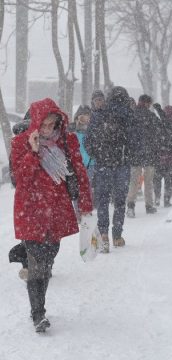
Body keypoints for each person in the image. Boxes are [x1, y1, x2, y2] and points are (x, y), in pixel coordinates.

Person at [11, 98, 93, 332]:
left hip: (56, 210)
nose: (48, 129)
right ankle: (38, 314)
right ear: (35, 122)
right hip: (31, 210)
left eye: (52, 124)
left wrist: (86, 205)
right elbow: (21, 180)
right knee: (36, 263)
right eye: (44, 124)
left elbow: (80, 172)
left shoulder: (67, 141)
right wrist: (33, 152)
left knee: (47, 261)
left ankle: (39, 305)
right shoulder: (20, 143)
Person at [85, 86, 133, 252]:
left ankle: (104, 234)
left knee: (103, 201)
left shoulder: (98, 116)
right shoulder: (127, 114)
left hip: (103, 165)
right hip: (121, 164)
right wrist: (127, 156)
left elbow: (87, 140)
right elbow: (135, 140)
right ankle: (117, 236)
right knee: (120, 201)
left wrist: (98, 154)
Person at [126, 94, 158, 217]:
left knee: (134, 182)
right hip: (149, 154)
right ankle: (149, 205)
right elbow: (157, 135)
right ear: (147, 103)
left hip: (135, 154)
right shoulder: (151, 116)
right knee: (149, 182)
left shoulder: (132, 116)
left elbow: (128, 136)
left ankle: (130, 206)